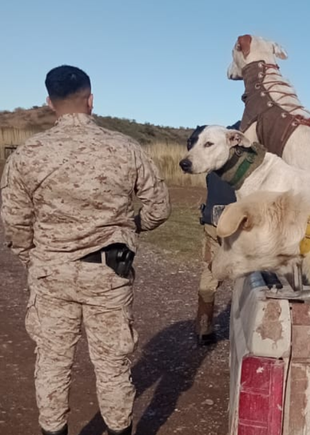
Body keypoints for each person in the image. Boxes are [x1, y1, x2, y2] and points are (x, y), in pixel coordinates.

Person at [0, 65, 171, 435]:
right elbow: (159, 208)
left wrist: (35, 257)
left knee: (52, 362)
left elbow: (14, 222)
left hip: (51, 275)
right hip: (109, 273)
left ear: (50, 103)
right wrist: (129, 229)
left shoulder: (27, 155)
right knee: (112, 365)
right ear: (91, 100)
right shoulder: (126, 148)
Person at [194, 122, 238, 345]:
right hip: (238, 224)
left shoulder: (211, 152)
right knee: (245, 277)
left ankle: (204, 327)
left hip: (213, 220)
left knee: (210, 274)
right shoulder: (246, 156)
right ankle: (243, 329)